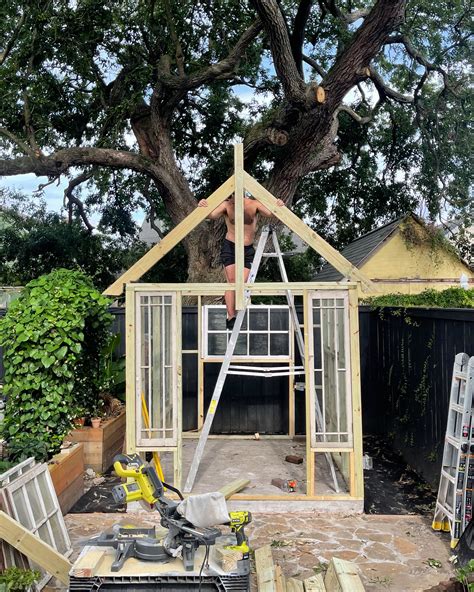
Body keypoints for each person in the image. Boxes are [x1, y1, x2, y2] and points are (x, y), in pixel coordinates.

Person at [198, 192, 285, 329]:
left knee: (243, 283)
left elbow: (271, 213)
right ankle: (231, 316)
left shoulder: (253, 204)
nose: (233, 197)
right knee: (232, 282)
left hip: (247, 249)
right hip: (230, 247)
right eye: (231, 195)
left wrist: (278, 204)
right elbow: (210, 215)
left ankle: (237, 314)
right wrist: (203, 205)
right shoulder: (227, 205)